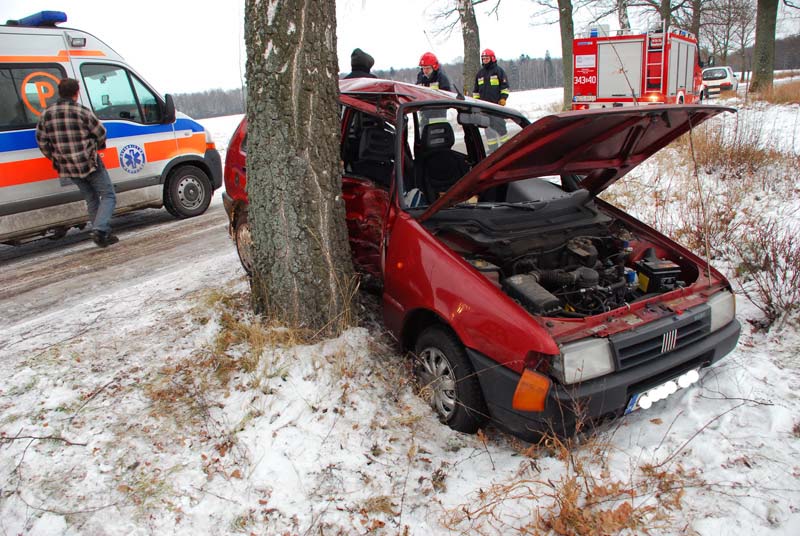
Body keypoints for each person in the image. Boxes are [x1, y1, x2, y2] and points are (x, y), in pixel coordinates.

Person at [36, 78, 118, 247]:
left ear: (60, 93)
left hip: (67, 167)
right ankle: (100, 229)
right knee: (108, 195)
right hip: (89, 162)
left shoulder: (46, 114)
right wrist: (96, 146)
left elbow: (42, 142)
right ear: (76, 93)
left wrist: (57, 158)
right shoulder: (82, 111)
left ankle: (101, 234)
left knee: (91, 198)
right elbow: (101, 132)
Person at [472, 48, 511, 152]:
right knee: (488, 129)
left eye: (487, 58)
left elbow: (505, 87)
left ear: (492, 58)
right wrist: (476, 104)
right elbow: (476, 91)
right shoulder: (480, 74)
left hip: (496, 106)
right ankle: (493, 149)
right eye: (483, 58)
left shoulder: (499, 71)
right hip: (484, 108)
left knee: (500, 127)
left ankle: (506, 148)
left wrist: (503, 98)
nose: (485, 60)